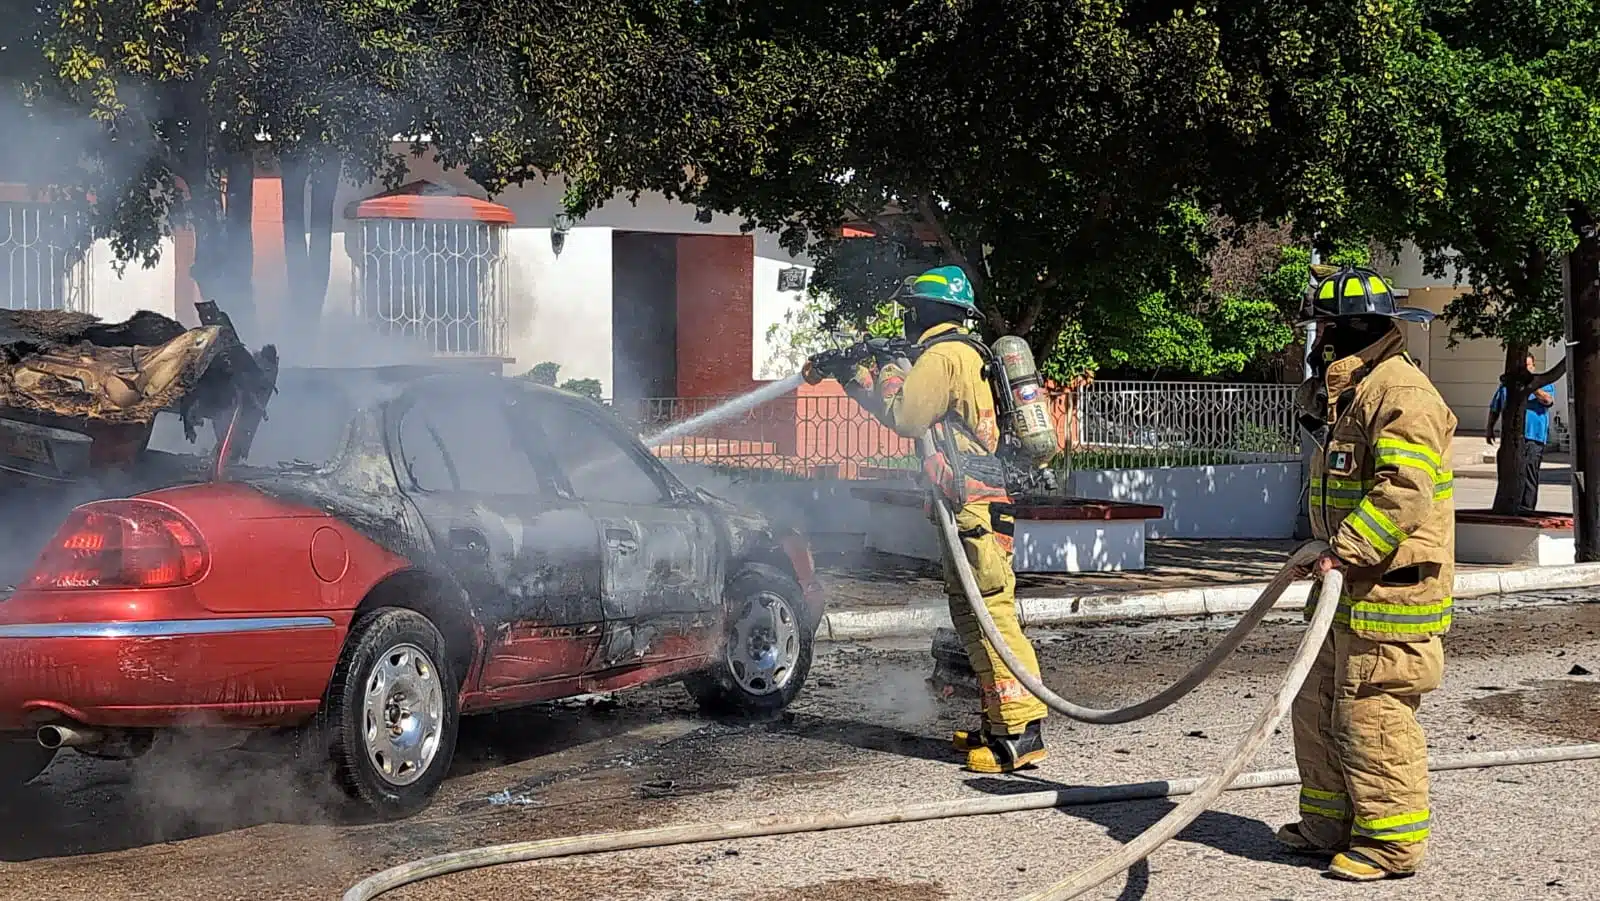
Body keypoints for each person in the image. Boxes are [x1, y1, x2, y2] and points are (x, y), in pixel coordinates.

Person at [805, 265, 1049, 773]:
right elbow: (904, 408)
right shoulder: (965, 353)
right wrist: (857, 378)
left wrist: (891, 367)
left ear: (926, 311)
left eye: (910, 310)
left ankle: (1022, 732)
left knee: (990, 614)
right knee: (972, 613)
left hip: (973, 505)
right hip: (974, 501)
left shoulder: (942, 356)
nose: (906, 319)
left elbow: (906, 417)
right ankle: (998, 721)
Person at [1280, 264, 1456, 882]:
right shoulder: (1355, 391)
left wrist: (1344, 549)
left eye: (1325, 327)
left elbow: (1403, 490)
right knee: (1317, 704)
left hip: (1390, 594)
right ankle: (1328, 826)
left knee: (1370, 714)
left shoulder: (1401, 395)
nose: (1318, 340)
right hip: (1346, 588)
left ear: (1354, 327)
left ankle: (1389, 845)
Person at [1486, 354, 1557, 515]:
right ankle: (1510, 507)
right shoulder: (1507, 386)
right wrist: (1489, 428)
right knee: (1509, 473)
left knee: (1529, 474)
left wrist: (1531, 385)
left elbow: (1548, 400)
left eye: (1528, 366)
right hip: (1512, 437)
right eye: (1522, 366)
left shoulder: (1543, 384)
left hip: (1534, 438)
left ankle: (1527, 508)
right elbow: (1495, 407)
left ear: (1533, 366)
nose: (1525, 369)